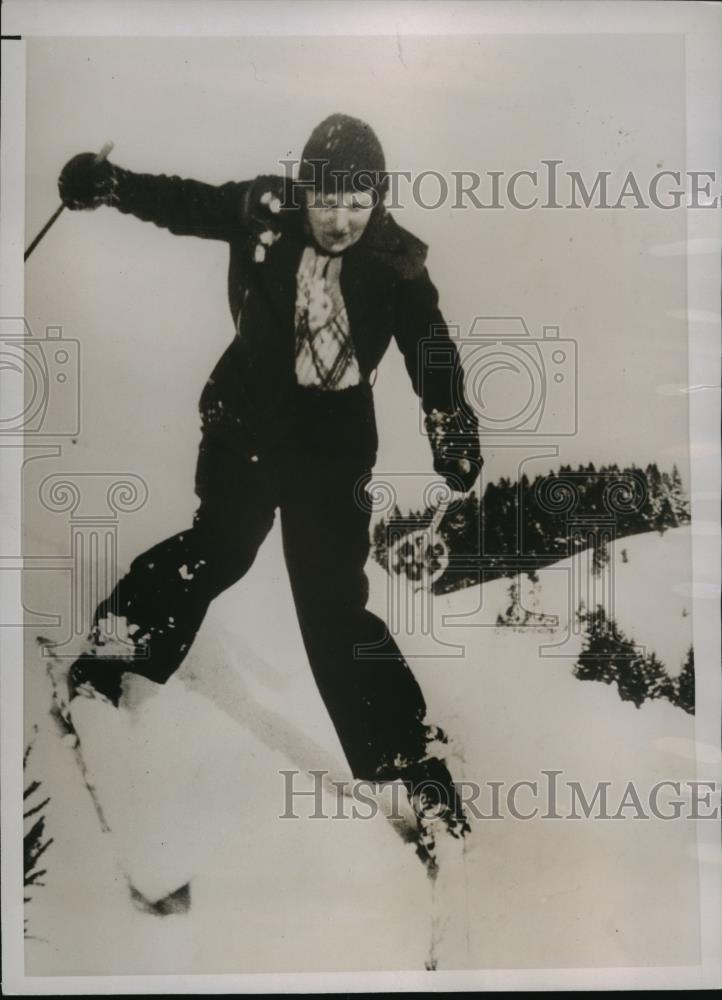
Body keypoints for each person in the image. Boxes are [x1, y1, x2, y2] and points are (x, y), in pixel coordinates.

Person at [56, 113, 482, 852]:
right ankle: (109, 656)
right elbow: (183, 202)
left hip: (333, 452)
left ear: (377, 201)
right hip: (247, 428)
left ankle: (415, 769)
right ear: (303, 188)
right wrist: (113, 185)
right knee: (221, 546)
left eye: (359, 202)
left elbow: (431, 351)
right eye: (327, 199)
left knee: (333, 610)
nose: (341, 218)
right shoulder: (263, 210)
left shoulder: (395, 261)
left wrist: (452, 426)